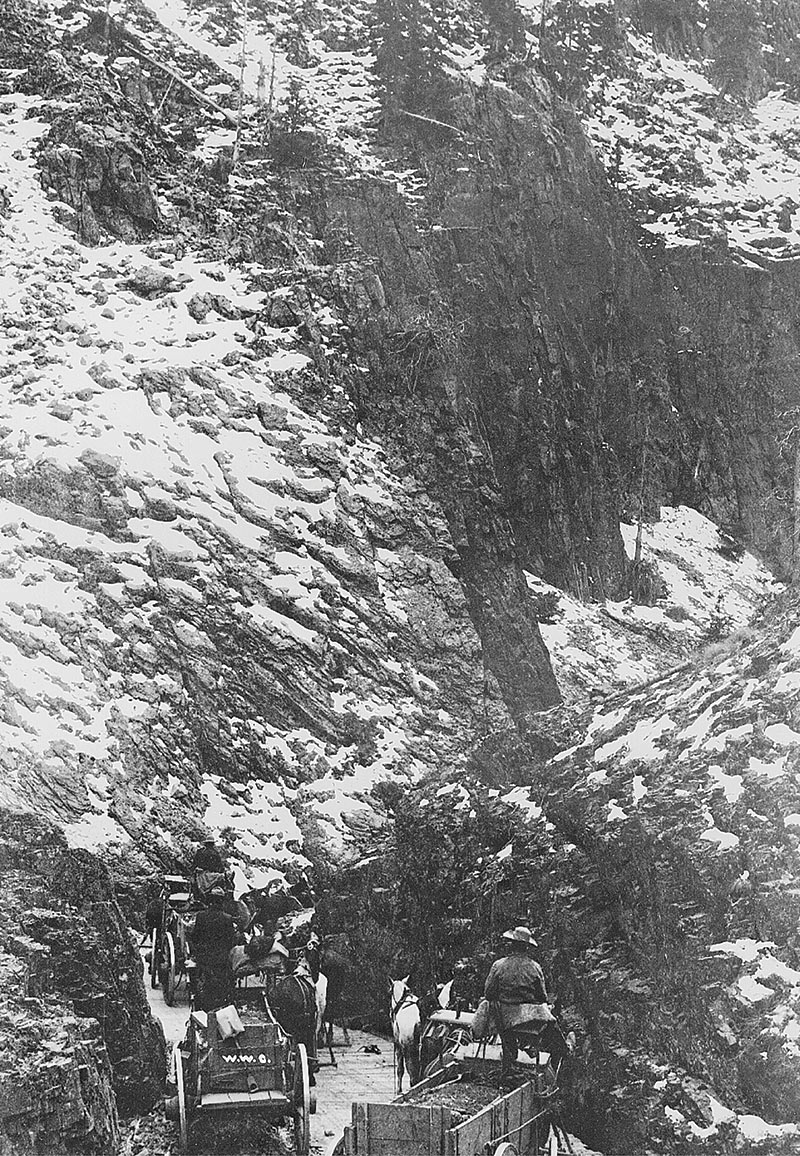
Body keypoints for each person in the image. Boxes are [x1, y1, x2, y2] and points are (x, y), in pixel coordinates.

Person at [483, 927, 555, 1075]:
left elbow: (489, 993)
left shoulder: (499, 965)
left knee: (498, 1012)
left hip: (504, 1018)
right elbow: (542, 997)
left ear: (511, 944)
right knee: (548, 1017)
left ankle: (510, 1052)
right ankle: (533, 1046)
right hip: (528, 1018)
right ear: (527, 947)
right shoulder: (535, 967)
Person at [190, 886, 236, 1011]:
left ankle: (201, 1008)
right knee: (221, 986)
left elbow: (195, 937)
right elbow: (231, 941)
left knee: (203, 985)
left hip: (203, 959)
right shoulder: (227, 918)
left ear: (210, 901)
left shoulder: (201, 916)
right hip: (221, 960)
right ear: (222, 902)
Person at [191, 836, 227, 901]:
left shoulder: (200, 852)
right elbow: (220, 867)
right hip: (210, 876)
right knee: (221, 878)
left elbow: (194, 864)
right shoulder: (215, 853)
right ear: (213, 844)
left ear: (206, 843)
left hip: (200, 876)